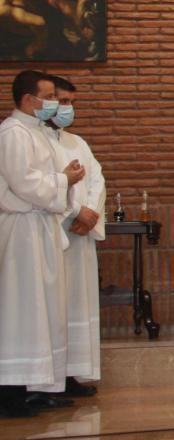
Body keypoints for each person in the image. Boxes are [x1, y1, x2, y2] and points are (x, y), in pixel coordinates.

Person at [0, 70, 85, 417]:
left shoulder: (34, 132)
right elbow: (24, 182)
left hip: (39, 226)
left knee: (43, 309)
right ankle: (11, 391)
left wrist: (64, 180)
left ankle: (38, 385)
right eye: (48, 97)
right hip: (21, 229)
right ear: (27, 100)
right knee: (22, 310)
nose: (53, 103)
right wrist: (63, 179)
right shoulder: (13, 134)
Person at [43, 75, 105, 397]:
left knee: (76, 306)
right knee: (52, 308)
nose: (67, 108)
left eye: (71, 102)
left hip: (79, 238)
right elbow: (39, 185)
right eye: (62, 101)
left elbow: (97, 178)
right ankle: (48, 378)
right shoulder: (34, 140)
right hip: (52, 235)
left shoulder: (76, 142)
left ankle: (71, 374)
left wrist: (90, 212)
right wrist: (75, 212)